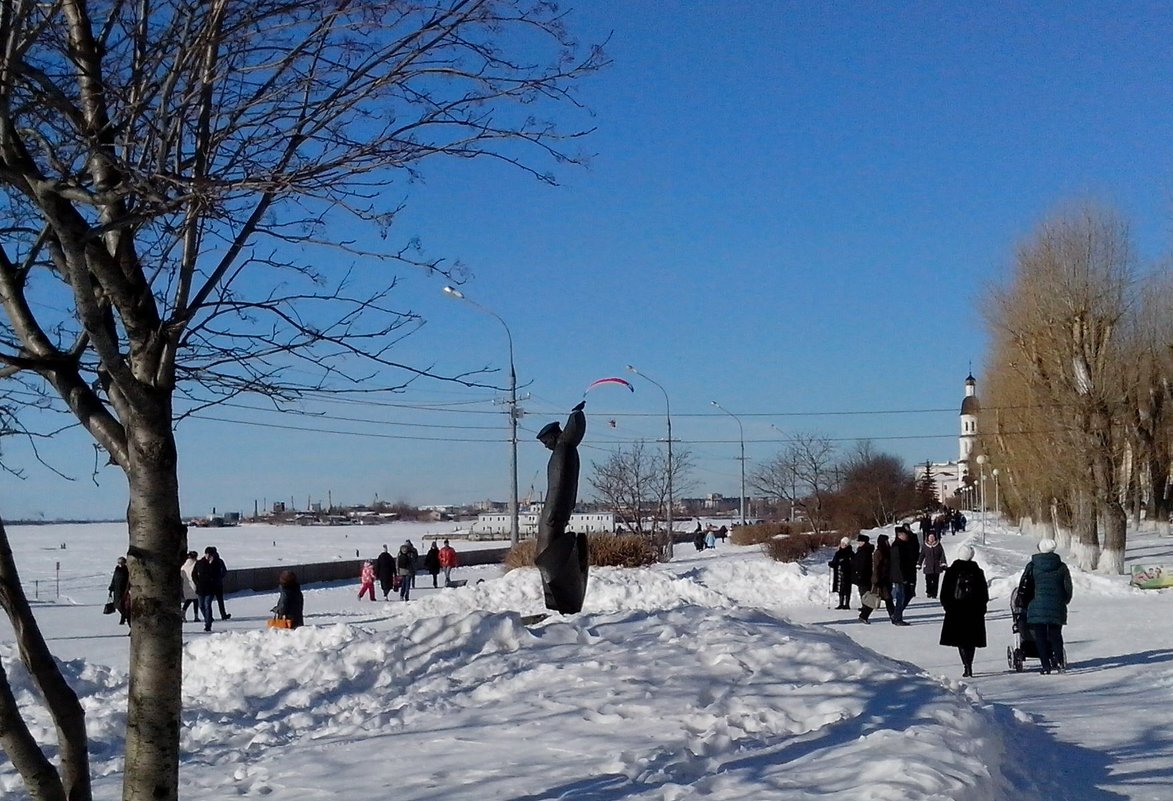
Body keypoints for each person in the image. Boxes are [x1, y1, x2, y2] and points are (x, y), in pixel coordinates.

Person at [534, 401, 589, 614]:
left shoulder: (563, 449)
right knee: (545, 551)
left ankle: (558, 599)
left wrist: (576, 413)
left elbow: (559, 484)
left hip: (554, 510)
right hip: (558, 509)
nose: (545, 445)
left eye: (546, 441)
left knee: (544, 550)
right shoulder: (566, 449)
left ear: (554, 435)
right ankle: (556, 598)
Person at [1018, 538, 1073, 674]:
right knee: (1056, 635)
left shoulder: (1032, 566)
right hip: (1056, 606)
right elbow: (1068, 588)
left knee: (1040, 637)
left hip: (1036, 605)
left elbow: (1023, 586)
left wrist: (1025, 603)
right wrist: (1063, 601)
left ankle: (1045, 666)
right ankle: (1059, 662)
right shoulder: (1061, 567)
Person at [939, 544, 989, 677]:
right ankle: (970, 664)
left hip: (956, 610)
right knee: (971, 640)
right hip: (974, 611)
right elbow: (984, 593)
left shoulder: (951, 571)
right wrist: (982, 607)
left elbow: (944, 592)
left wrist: (947, 606)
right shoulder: (978, 572)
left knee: (960, 640)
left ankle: (966, 666)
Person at [859, 534, 893, 624]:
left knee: (881, 598)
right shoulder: (878, 552)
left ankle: (864, 615)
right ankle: (893, 616)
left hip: (885, 579)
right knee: (885, 598)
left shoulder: (887, 551)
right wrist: (875, 580)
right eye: (886, 541)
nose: (888, 542)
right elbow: (876, 567)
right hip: (880, 580)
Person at [888, 528, 915, 625]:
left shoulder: (904, 545)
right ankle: (897, 617)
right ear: (900, 535)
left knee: (906, 595)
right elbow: (897, 564)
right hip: (899, 576)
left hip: (904, 575)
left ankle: (896, 615)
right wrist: (902, 577)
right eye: (905, 534)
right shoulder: (897, 546)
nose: (907, 536)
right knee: (901, 597)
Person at [191, 548, 220, 631]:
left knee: (207, 605)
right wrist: (197, 582)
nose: (208, 556)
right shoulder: (200, 563)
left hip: (210, 589)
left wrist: (211, 564)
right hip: (201, 588)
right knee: (201, 606)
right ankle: (208, 618)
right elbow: (194, 574)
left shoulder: (215, 564)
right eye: (207, 554)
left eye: (210, 555)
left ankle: (208, 624)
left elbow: (217, 575)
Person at [828, 536, 854, 610]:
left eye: (843, 543)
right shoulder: (838, 553)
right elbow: (835, 562)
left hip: (847, 573)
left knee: (847, 588)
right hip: (839, 573)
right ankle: (841, 603)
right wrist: (831, 564)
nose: (841, 545)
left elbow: (853, 563)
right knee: (840, 588)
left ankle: (847, 604)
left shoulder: (850, 553)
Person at [206, 547, 231, 620]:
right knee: (220, 601)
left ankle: (209, 616)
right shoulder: (220, 561)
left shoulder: (207, 562)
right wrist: (219, 578)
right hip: (218, 584)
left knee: (208, 602)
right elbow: (224, 571)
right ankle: (223, 615)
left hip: (210, 585)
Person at [919, 533, 947, 599]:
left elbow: (942, 555)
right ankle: (929, 592)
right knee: (928, 581)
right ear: (928, 538)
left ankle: (934, 593)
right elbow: (922, 555)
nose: (931, 539)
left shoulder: (938, 545)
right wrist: (919, 563)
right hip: (928, 566)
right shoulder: (925, 546)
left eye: (933, 537)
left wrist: (943, 563)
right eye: (930, 537)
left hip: (936, 567)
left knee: (935, 581)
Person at [850, 534, 873, 611]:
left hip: (864, 575)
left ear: (864, 542)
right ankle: (865, 605)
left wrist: (859, 572)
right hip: (861, 574)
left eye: (860, 541)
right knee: (862, 591)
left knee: (865, 591)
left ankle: (866, 606)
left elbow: (863, 564)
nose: (859, 543)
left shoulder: (865, 551)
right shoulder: (862, 550)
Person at [109, 556, 130, 626]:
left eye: (122, 562)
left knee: (123, 605)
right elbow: (114, 579)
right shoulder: (117, 569)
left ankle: (124, 617)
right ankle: (124, 616)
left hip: (124, 590)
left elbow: (128, 580)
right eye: (119, 562)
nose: (120, 564)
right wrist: (111, 587)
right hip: (116, 590)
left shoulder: (126, 570)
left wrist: (128, 588)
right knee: (117, 605)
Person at [180, 551, 200, 623]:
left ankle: (183, 611)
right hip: (194, 584)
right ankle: (196, 616)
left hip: (186, 584)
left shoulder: (184, 565)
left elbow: (182, 574)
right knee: (195, 600)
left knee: (188, 599)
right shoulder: (195, 564)